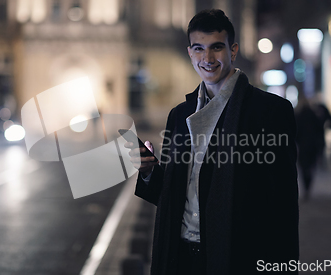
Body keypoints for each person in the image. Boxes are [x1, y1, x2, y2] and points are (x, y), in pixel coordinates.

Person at [124, 9, 299, 274]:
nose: (207, 58)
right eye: (199, 48)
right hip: (180, 257)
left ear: (233, 50)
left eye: (217, 47)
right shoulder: (179, 115)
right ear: (190, 53)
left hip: (238, 259)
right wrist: (149, 172)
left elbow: (282, 208)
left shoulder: (269, 111)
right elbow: (174, 195)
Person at [295, 96, 324, 200]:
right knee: (311, 166)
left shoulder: (298, 115)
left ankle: (306, 188)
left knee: (303, 167)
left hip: (303, 146)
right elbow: (319, 129)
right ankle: (308, 186)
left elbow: (296, 131)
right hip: (313, 146)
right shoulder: (314, 114)